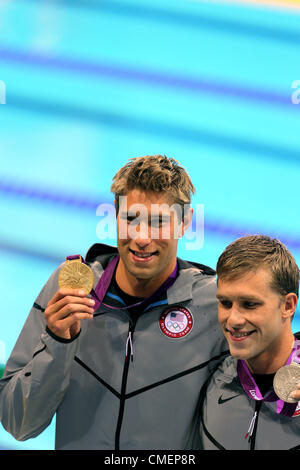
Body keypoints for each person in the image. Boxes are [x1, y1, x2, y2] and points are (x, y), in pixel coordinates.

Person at [0, 155, 228, 450]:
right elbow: (18, 423)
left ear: (185, 223)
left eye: (158, 221)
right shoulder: (70, 289)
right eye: (131, 219)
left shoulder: (214, 305)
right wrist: (58, 342)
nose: (141, 238)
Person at [197, 235, 300, 450]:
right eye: (225, 303)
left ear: (288, 306)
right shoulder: (209, 376)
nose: (233, 320)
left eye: (250, 304)